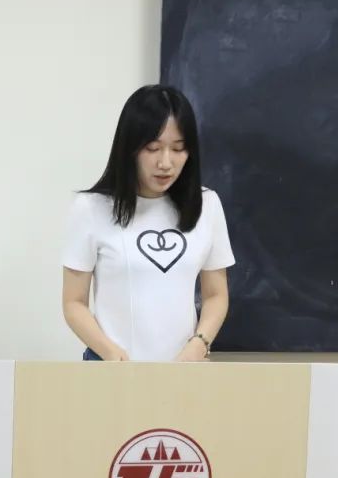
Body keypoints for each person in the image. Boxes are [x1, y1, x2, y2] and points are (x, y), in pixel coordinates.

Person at [61, 84, 234, 362]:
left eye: (178, 149)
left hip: (185, 372)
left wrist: (198, 345)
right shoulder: (91, 208)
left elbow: (216, 295)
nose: (166, 163)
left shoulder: (207, 204)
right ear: (130, 148)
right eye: (153, 148)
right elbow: (73, 303)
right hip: (113, 369)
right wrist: (110, 353)